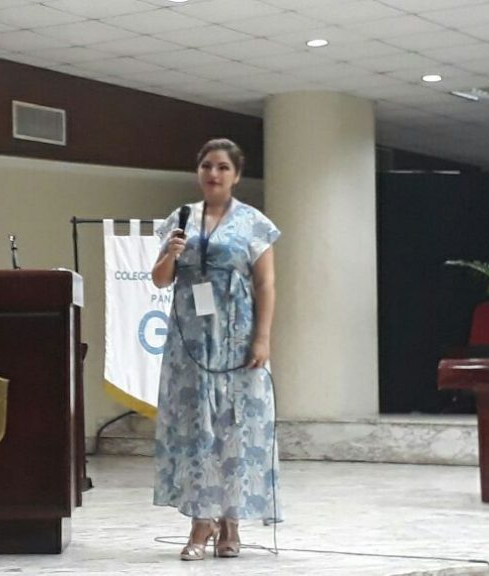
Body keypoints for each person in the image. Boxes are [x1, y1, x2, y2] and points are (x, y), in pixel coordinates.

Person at [151, 138, 281, 560]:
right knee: (196, 428)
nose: (214, 174)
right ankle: (200, 523)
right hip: (190, 341)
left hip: (237, 338)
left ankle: (231, 523)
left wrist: (262, 337)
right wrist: (171, 254)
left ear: (236, 175)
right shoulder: (181, 218)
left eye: (223, 167)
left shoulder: (254, 222)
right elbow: (160, 279)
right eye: (207, 165)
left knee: (233, 427)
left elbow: (266, 283)